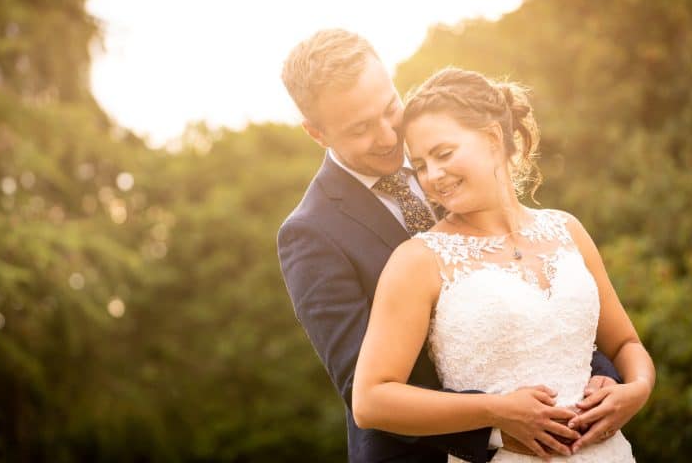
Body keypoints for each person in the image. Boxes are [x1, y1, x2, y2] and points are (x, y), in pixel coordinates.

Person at [277, 28, 622, 463]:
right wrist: (497, 426)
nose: (387, 136)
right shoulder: (310, 233)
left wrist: (595, 380)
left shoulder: (455, 155)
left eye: (390, 109)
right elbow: (363, 385)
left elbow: (539, 291)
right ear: (316, 133)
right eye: (361, 128)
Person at [351, 66, 655, 462]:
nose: (432, 176)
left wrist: (637, 389)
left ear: (494, 139)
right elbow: (371, 401)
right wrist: (494, 411)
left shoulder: (568, 230)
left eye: (443, 154)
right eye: (421, 164)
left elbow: (625, 343)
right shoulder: (418, 260)